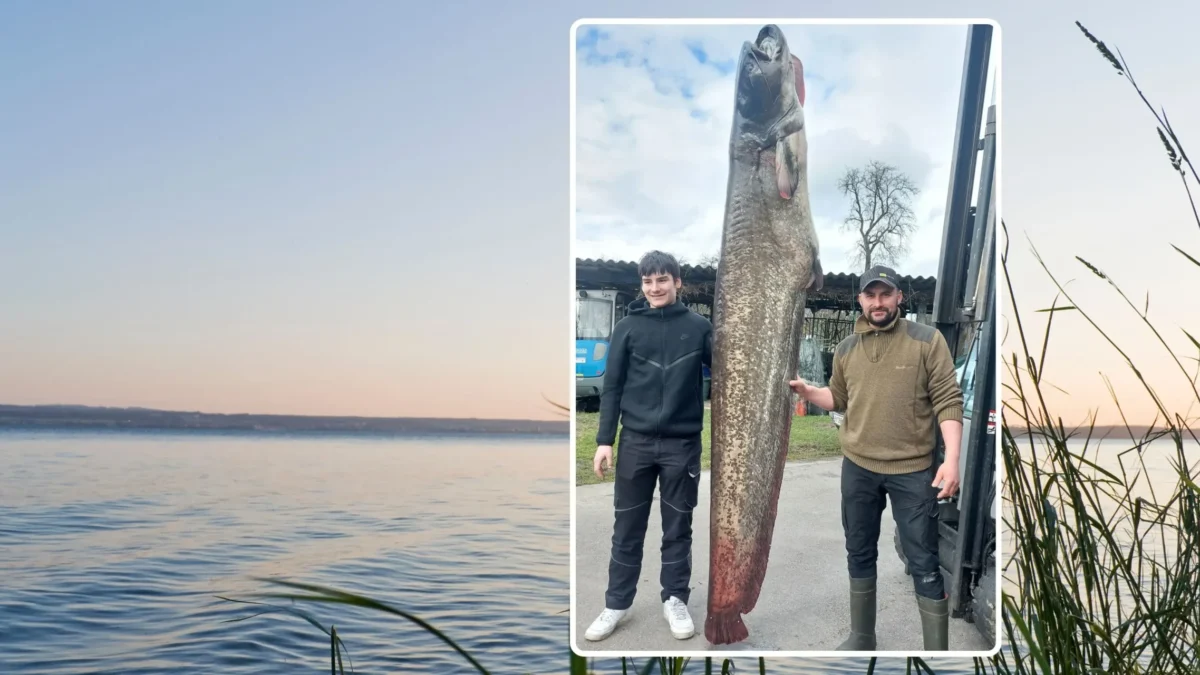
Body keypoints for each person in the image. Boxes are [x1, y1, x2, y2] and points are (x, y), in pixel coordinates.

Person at [789, 264, 963, 651]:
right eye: (871, 295)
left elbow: (948, 401)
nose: (878, 302)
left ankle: (937, 654)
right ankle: (861, 636)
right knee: (859, 550)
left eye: (886, 294)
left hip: (914, 471)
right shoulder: (849, 348)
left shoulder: (927, 340)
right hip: (859, 468)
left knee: (923, 560)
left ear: (899, 297)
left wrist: (951, 459)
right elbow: (838, 398)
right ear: (861, 300)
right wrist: (807, 391)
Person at [584, 250, 713, 642]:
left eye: (662, 279)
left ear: (678, 282)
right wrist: (605, 440)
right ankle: (616, 603)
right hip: (635, 443)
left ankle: (675, 598)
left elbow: (727, 374)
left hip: (682, 445)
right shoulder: (627, 327)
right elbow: (612, 388)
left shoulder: (700, 327)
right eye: (647, 281)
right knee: (627, 529)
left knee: (678, 528)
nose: (654, 287)